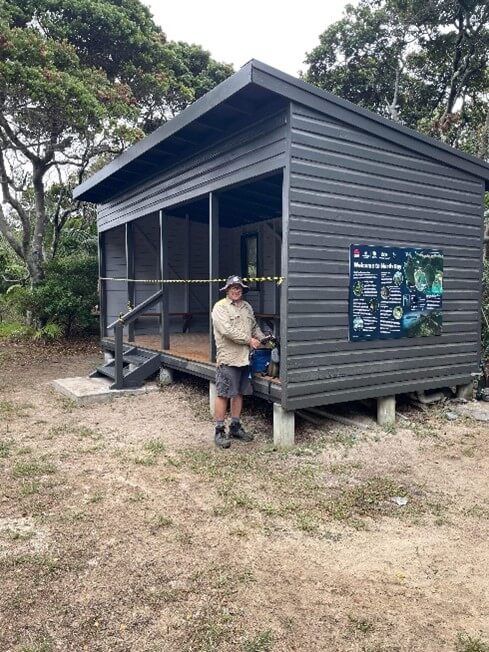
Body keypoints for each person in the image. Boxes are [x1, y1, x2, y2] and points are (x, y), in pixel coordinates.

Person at [211, 275, 266, 449]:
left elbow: (254, 327)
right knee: (223, 393)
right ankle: (219, 431)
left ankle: (235, 427)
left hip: (245, 358)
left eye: (239, 288)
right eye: (233, 288)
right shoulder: (220, 307)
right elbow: (227, 330)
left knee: (239, 393)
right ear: (227, 290)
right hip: (228, 358)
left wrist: (264, 339)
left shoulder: (247, 307)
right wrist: (249, 340)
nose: (236, 290)